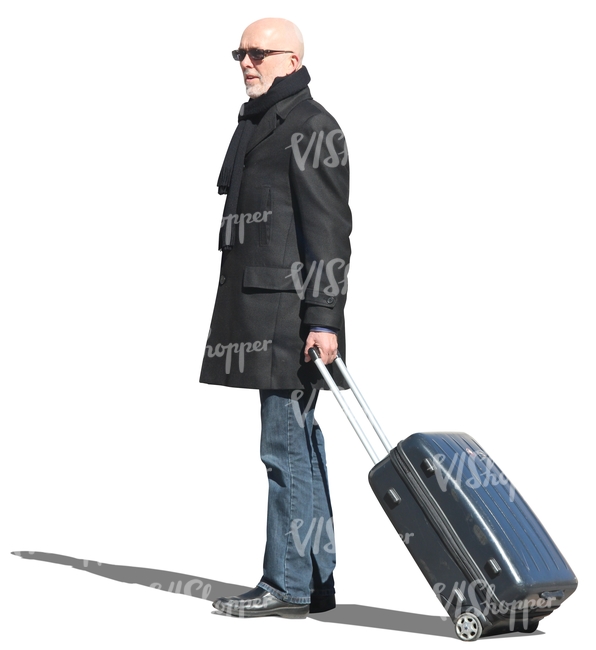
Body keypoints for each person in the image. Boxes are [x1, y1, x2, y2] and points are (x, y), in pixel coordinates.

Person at [200, 17, 352, 619]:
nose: (247, 62)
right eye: (240, 52)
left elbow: (329, 232)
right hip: (263, 315)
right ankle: (313, 580)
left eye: (260, 53)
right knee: (299, 448)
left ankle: (286, 583)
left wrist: (323, 319)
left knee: (284, 449)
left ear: (293, 60)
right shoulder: (261, 124)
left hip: (288, 321)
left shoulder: (312, 126)